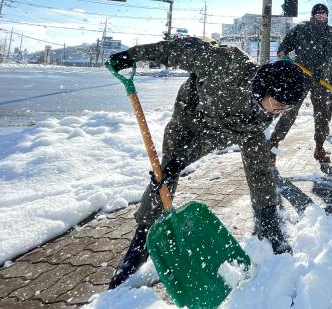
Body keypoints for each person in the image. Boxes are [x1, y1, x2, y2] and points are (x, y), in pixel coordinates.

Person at [105, 37, 305, 289]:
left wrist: (274, 132)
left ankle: (270, 226)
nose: (278, 113)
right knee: (165, 175)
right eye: (276, 106)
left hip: (241, 128)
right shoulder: (225, 63)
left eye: (284, 109)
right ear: (262, 88)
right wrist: (133, 55)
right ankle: (141, 241)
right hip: (192, 120)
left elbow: (266, 147)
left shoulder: (276, 104)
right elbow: (177, 49)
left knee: (261, 171)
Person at [272, 3, 332, 163]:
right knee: (290, 111)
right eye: (319, 14)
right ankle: (273, 147)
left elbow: (331, 55)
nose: (322, 16)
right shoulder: (302, 28)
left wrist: (319, 69)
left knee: (322, 114)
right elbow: (288, 42)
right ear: (313, 15)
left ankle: (319, 148)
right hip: (300, 76)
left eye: (324, 14)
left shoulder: (331, 33)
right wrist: (283, 50)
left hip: (321, 79)